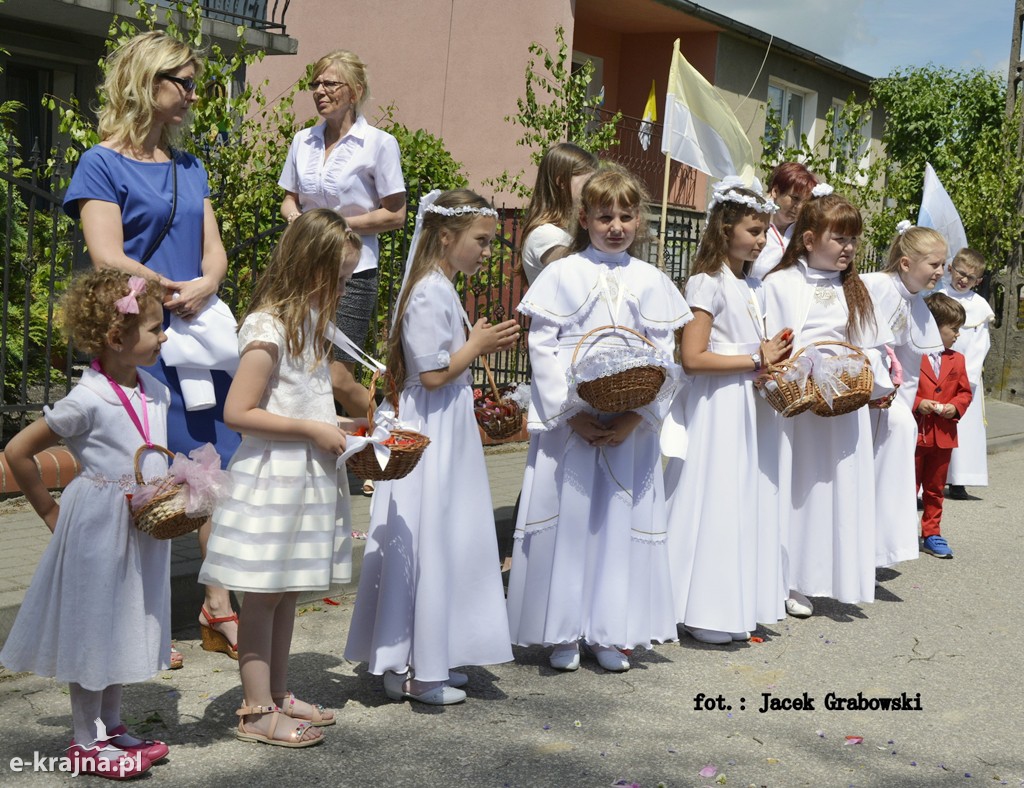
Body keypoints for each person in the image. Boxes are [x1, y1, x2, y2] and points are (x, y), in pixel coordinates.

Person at [63, 30, 240, 666]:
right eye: (183, 83)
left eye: (195, 83)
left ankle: (217, 603)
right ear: (147, 82)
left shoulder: (190, 165)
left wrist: (210, 279)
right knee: (149, 478)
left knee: (207, 465)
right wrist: (165, 291)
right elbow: (106, 256)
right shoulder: (100, 163)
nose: (194, 95)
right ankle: (141, 616)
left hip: (194, 333)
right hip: (139, 335)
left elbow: (212, 244)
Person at [505, 165, 692, 672]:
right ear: (583, 218)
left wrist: (639, 414)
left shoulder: (652, 280)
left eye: (626, 217)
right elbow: (543, 346)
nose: (615, 226)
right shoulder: (562, 274)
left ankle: (611, 631)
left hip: (628, 424)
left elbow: (665, 356)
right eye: (604, 216)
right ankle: (562, 632)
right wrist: (569, 415)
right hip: (573, 423)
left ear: (640, 221)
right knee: (569, 521)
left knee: (616, 522)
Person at [344, 190, 519, 705]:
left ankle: (426, 656)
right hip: (433, 429)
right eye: (481, 241)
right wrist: (478, 345)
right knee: (431, 537)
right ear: (446, 237)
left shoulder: (441, 286)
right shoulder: (427, 291)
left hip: (450, 426)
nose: (488, 251)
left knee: (445, 539)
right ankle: (419, 671)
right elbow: (434, 373)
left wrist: (476, 341)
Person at [198, 209, 362, 746]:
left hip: (303, 477)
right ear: (310, 266)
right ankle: (254, 709)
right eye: (337, 276)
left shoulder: (309, 322)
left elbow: (300, 398)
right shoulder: (269, 326)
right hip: (273, 478)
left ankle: (279, 693)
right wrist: (310, 429)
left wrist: (336, 424)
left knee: (287, 592)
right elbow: (239, 411)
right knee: (263, 595)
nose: (341, 287)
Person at [0, 270, 172, 778]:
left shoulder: (155, 389)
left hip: (139, 528)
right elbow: (17, 450)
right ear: (118, 339)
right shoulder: (86, 401)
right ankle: (82, 741)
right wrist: (51, 513)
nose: (165, 337)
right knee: (94, 628)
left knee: (122, 624)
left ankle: (110, 726)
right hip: (98, 528)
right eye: (155, 328)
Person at [662, 179, 793, 645]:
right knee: (714, 497)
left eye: (764, 231)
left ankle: (730, 602)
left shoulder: (748, 282)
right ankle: (698, 608)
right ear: (725, 227)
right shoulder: (708, 280)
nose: (761, 240)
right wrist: (755, 359)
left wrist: (771, 357)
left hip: (746, 403)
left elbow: (751, 347)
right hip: (718, 406)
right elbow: (693, 357)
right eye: (754, 230)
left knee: (740, 500)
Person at [279, 49, 407, 495]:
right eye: (315, 83)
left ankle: (379, 441)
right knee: (302, 363)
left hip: (353, 270)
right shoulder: (303, 141)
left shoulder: (379, 144)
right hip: (302, 268)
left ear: (354, 92)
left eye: (330, 84)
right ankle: (324, 456)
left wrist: (335, 224)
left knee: (336, 372)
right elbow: (288, 198)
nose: (320, 91)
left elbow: (395, 214)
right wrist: (298, 217)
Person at [762, 193, 894, 608]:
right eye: (839, 238)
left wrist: (862, 375)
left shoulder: (856, 288)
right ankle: (790, 578)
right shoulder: (779, 284)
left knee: (836, 488)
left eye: (853, 239)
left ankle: (831, 574)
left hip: (842, 406)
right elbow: (771, 344)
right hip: (798, 407)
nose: (849, 248)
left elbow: (872, 346)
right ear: (808, 239)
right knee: (798, 487)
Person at [862, 223, 945, 569]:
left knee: (900, 438)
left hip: (888, 399)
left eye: (943, 264)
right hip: (863, 392)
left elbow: (909, 367)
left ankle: (880, 545)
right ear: (907, 263)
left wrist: (902, 402)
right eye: (934, 264)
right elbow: (862, 339)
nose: (941, 272)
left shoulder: (917, 303)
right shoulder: (876, 286)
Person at [914, 293, 972, 558]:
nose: (957, 335)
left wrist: (955, 407)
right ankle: (899, 533)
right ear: (935, 328)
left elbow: (964, 393)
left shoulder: (957, 360)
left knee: (935, 489)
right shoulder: (914, 356)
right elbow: (901, 387)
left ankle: (932, 533)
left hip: (944, 436)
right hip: (917, 435)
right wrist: (918, 403)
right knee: (907, 487)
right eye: (954, 329)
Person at [937, 248, 994, 498]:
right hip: (938, 371)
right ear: (951, 268)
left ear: (978, 281)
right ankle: (931, 479)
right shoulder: (937, 297)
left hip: (964, 376)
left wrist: (966, 378)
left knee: (964, 428)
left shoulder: (979, 306)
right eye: (960, 273)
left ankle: (959, 479)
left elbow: (981, 344)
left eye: (970, 277)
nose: (963, 279)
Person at [518, 142, 599, 286]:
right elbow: (583, 278)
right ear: (561, 181)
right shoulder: (547, 234)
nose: (592, 190)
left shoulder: (565, 230)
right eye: (587, 183)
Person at [749, 162, 818, 279]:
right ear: (775, 191)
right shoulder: (752, 223)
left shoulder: (805, 232)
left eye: (805, 202)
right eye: (795, 198)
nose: (799, 206)